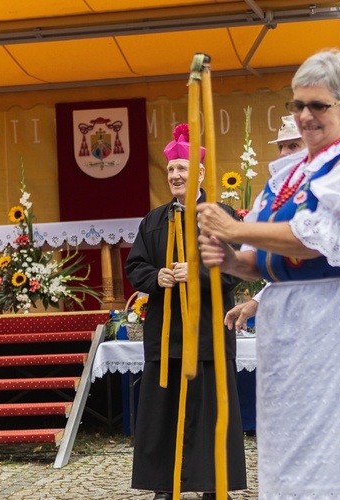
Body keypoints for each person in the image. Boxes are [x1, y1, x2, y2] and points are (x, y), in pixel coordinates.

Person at [195, 49, 340, 498]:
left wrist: (235, 227)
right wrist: (228, 258)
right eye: (297, 105)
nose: (305, 116)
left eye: (317, 105)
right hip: (289, 331)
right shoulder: (286, 176)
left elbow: (316, 238)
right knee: (293, 448)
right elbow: (262, 259)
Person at [125, 124, 247, 499]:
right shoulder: (154, 219)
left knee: (210, 412)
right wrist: (156, 276)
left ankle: (212, 484)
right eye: (172, 170)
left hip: (208, 332)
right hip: (167, 335)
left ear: (200, 172)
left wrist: (197, 274)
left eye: (183, 168)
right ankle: (165, 483)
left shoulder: (221, 215)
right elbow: (136, 266)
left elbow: (236, 266)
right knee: (163, 414)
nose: (177, 175)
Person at [224, 115, 304, 331]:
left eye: (293, 145)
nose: (284, 153)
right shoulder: (275, 194)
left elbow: (303, 264)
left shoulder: (322, 188)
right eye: (281, 147)